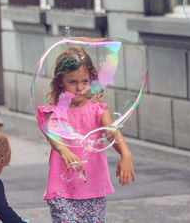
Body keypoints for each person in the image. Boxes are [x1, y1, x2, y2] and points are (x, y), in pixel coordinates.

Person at [37, 45, 135, 223]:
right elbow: (53, 135)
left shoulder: (98, 110)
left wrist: (125, 153)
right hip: (62, 188)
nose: (79, 87)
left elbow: (111, 133)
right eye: (72, 82)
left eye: (85, 81)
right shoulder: (55, 111)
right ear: (60, 82)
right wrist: (64, 150)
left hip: (93, 187)